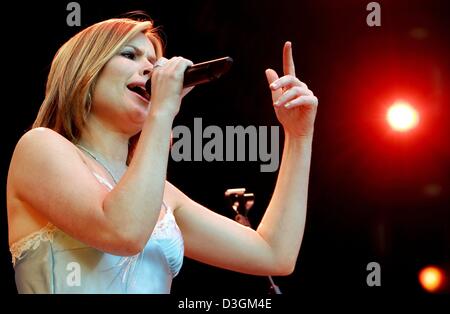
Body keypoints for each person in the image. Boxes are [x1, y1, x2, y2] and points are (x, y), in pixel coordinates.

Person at [6, 15, 318, 293]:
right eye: (130, 55)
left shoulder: (163, 194)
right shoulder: (40, 147)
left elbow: (274, 254)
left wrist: (298, 137)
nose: (151, 69)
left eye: (155, 63)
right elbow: (123, 232)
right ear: (84, 72)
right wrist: (162, 112)